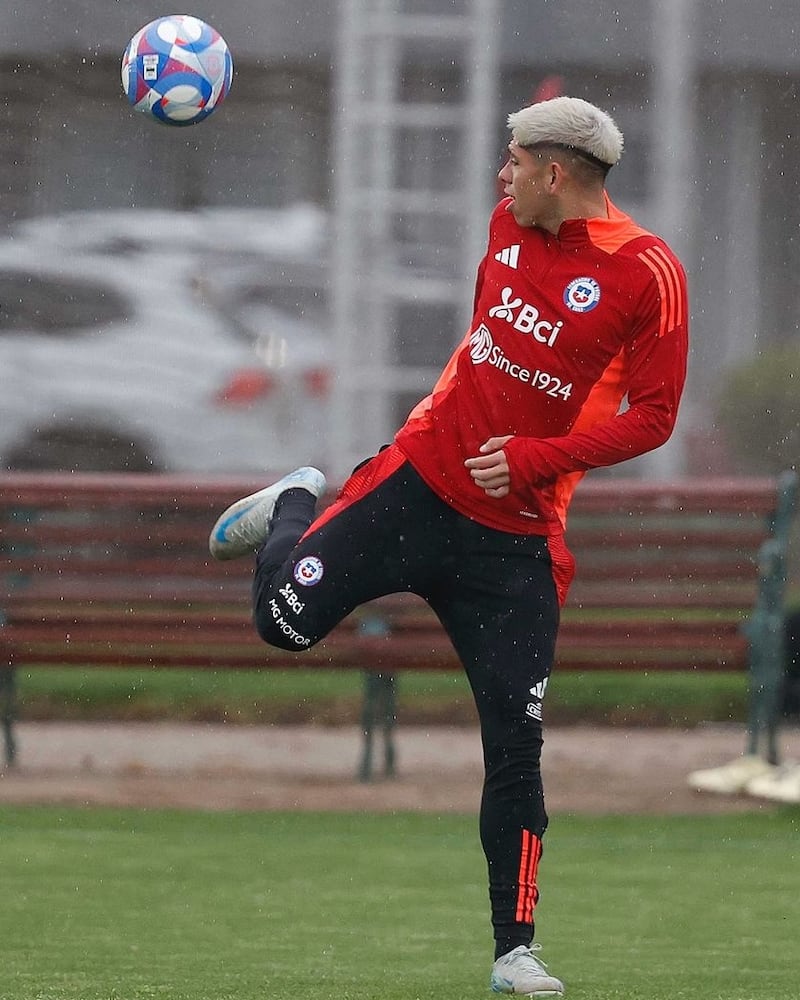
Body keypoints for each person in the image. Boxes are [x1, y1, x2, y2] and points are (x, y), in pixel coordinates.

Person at [209, 96, 688, 997]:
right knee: (282, 627)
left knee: (516, 746)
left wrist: (541, 458)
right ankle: (298, 497)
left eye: (513, 159)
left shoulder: (649, 273)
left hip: (513, 547)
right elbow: (479, 358)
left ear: (554, 171)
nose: (499, 176)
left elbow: (655, 418)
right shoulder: (510, 223)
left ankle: (515, 952)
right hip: (413, 491)